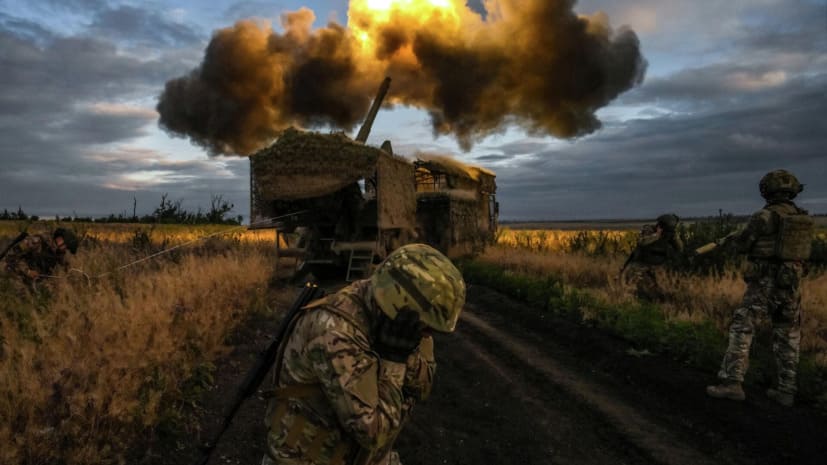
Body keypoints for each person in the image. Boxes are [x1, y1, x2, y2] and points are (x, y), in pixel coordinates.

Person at [262, 243, 466, 465]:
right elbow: (373, 433)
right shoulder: (334, 331)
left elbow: (423, 387)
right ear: (398, 307)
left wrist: (406, 353)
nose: (427, 336)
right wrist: (393, 361)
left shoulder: (399, 324)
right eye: (426, 329)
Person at [706, 170, 814, 407]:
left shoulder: (763, 216)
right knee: (788, 334)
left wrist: (734, 240)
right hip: (791, 283)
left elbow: (744, 243)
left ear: (767, 190)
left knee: (742, 328)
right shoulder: (802, 217)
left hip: (764, 282)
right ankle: (786, 390)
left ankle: (732, 383)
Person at [622, 213, 684, 301]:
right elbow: (642, 242)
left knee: (656, 289)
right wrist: (657, 235)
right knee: (632, 287)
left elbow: (680, 248)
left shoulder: (670, 234)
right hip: (640, 263)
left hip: (656, 265)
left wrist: (674, 236)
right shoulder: (649, 229)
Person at [3, 228, 79, 284]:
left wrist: (74, 276)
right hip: (14, 271)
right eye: (65, 246)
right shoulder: (36, 241)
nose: (65, 249)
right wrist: (28, 271)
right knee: (22, 294)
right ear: (60, 238)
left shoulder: (58, 250)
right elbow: (11, 257)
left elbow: (66, 266)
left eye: (67, 248)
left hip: (35, 277)